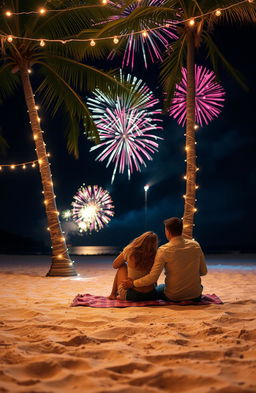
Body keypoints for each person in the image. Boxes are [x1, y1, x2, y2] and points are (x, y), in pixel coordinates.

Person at [122, 217, 207, 302]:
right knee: (162, 286)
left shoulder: (163, 250)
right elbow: (203, 272)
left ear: (168, 231)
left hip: (173, 296)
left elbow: (153, 278)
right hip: (195, 295)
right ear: (181, 230)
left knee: (159, 288)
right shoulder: (196, 245)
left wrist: (133, 283)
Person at [108, 231, 159, 301]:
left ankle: (113, 294)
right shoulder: (156, 255)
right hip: (151, 295)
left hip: (133, 295)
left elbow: (115, 265)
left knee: (122, 266)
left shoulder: (129, 251)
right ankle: (113, 294)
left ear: (140, 239)